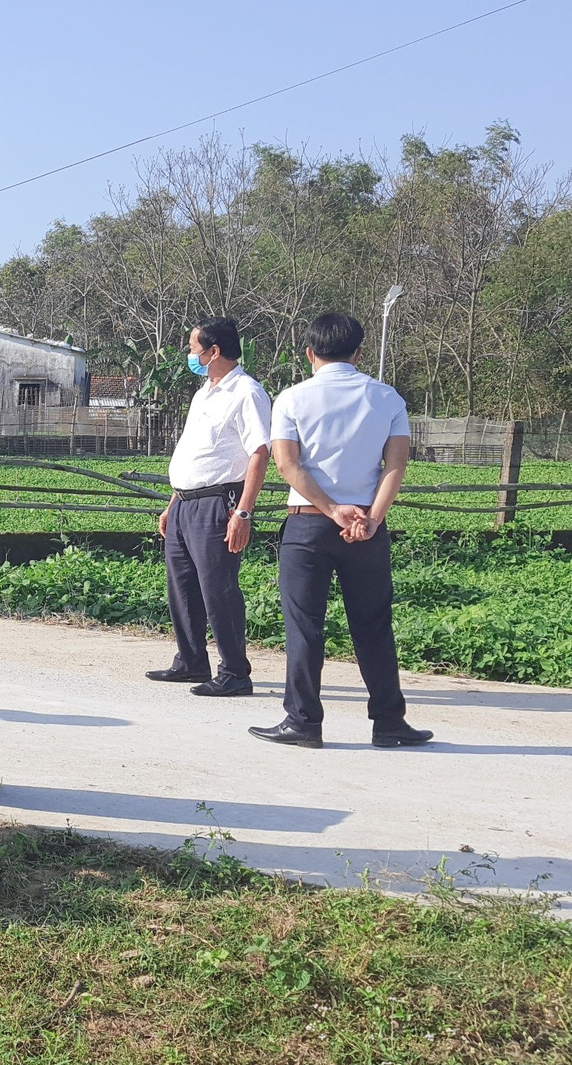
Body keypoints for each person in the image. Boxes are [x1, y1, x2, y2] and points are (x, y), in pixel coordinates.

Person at [251, 312, 432, 750]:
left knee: (305, 625)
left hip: (309, 526)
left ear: (310, 352)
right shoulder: (387, 398)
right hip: (367, 529)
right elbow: (396, 465)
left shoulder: (292, 399)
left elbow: (287, 464)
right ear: (359, 351)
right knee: (373, 625)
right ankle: (389, 722)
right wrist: (371, 517)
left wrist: (332, 509)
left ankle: (303, 722)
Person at [146, 317, 272, 697]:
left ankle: (235, 670)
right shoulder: (204, 392)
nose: (189, 354)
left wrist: (244, 512)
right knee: (182, 586)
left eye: (192, 348)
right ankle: (191, 660)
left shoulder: (247, 393)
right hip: (185, 502)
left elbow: (260, 452)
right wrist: (173, 503)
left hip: (219, 501)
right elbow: (193, 454)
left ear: (213, 351)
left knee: (218, 588)